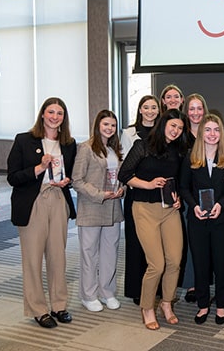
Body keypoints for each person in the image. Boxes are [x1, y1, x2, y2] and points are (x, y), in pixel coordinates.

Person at [7, 97, 77, 328]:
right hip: (33, 201)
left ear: (64, 118)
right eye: (51, 112)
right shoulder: (24, 140)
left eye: (59, 113)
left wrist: (68, 180)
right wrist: (39, 168)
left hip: (58, 200)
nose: (55, 117)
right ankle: (38, 309)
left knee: (58, 257)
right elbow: (12, 177)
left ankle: (59, 305)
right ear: (42, 114)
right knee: (33, 258)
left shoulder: (69, 143)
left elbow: (73, 174)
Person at [118, 109, 188, 330]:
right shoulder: (143, 145)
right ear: (163, 124)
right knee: (156, 264)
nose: (176, 131)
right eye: (173, 126)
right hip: (144, 209)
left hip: (169, 210)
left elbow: (178, 181)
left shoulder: (179, 150)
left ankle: (166, 303)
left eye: (179, 128)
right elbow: (124, 174)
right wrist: (147, 184)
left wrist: (177, 200)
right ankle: (147, 307)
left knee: (175, 261)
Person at [179, 114, 224, 325]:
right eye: (208, 130)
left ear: (221, 134)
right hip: (198, 220)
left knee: (222, 263)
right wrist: (194, 205)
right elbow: (183, 187)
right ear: (201, 132)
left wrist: (222, 203)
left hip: (223, 220)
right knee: (201, 263)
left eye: (216, 130)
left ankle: (221, 306)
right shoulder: (190, 159)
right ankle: (203, 305)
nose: (212, 134)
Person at [72, 110, 125, 312]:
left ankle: (107, 292)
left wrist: (122, 189)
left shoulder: (114, 149)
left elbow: (121, 175)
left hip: (113, 207)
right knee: (89, 254)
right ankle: (88, 294)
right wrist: (99, 194)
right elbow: (77, 180)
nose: (109, 128)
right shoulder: (85, 148)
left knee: (110, 252)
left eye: (112, 125)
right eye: (105, 124)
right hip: (92, 206)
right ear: (97, 125)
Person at [120, 95, 160, 306]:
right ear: (140, 110)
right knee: (136, 242)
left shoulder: (162, 131)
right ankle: (137, 289)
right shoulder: (129, 133)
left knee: (156, 244)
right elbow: (126, 164)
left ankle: (156, 287)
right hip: (137, 191)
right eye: (146, 107)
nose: (151, 111)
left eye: (154, 107)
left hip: (158, 195)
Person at [180, 93, 208, 303]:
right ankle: (192, 284)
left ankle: (208, 283)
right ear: (186, 111)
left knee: (212, 243)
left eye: (199, 108)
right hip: (188, 198)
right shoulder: (180, 134)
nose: (196, 112)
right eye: (192, 108)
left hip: (210, 197)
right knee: (191, 244)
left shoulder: (212, 131)